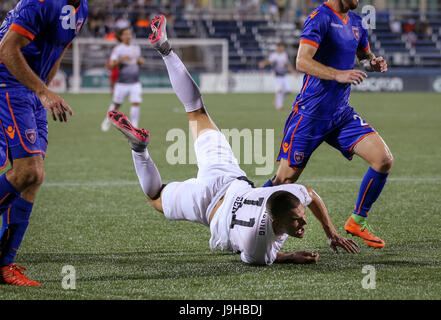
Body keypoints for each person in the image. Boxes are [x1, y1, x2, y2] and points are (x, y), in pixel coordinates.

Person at [108, 15, 358, 266]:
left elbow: (310, 195)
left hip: (227, 179)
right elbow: (270, 254)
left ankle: (165, 49)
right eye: (297, 220)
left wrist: (330, 232)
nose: (304, 222)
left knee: (196, 110)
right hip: (207, 205)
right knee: (155, 198)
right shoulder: (257, 247)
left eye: (300, 218)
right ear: (275, 222)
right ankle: (138, 149)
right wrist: (291, 256)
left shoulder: (280, 206)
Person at [263, 0, 392, 248]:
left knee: (383, 159)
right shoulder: (319, 18)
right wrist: (337, 74)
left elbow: (364, 57)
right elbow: (302, 60)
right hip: (310, 115)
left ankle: (357, 221)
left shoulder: (356, 22)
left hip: (341, 115)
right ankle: (245, 214)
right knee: (283, 182)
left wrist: (372, 64)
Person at [0, 0, 88, 286]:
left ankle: (4, 264)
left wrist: (42, 90)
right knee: (29, 172)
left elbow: (58, 50)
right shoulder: (40, 2)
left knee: (33, 179)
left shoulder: (81, 9)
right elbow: (7, 49)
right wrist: (42, 90)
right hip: (10, 86)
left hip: (32, 92)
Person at [101, 27, 145, 131]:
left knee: (136, 103)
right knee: (116, 105)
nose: (128, 36)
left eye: (129, 34)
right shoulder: (118, 49)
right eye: (125, 34)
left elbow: (138, 61)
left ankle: (134, 128)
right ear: (121, 36)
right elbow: (111, 65)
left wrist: (140, 61)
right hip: (122, 83)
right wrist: (121, 59)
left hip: (135, 82)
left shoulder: (136, 48)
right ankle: (107, 120)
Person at [259, 43, 298, 111]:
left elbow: (287, 65)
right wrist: (263, 63)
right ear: (278, 47)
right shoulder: (274, 55)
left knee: (288, 90)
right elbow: (269, 60)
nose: (282, 48)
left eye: (283, 47)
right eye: (281, 47)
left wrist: (293, 72)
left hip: (283, 75)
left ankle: (277, 101)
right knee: (279, 91)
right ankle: (279, 106)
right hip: (277, 76)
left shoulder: (284, 55)